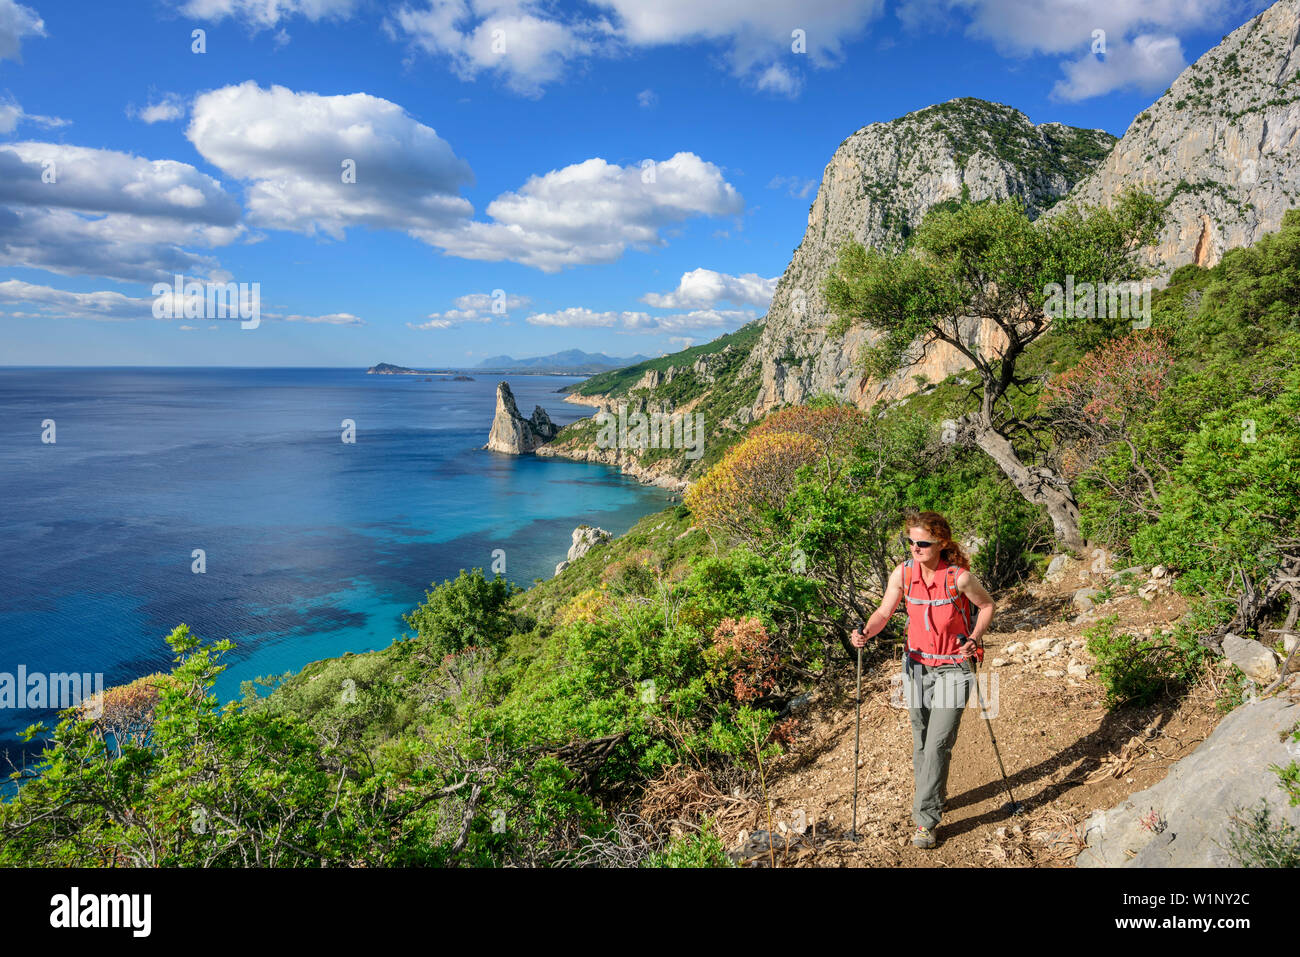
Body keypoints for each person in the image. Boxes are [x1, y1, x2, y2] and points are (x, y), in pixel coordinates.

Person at [850, 510, 995, 849]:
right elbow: (884, 612)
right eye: (911, 542)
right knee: (921, 740)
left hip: (954, 668)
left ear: (941, 543)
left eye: (923, 543)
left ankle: (924, 820)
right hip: (914, 665)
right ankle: (935, 794)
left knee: (937, 743)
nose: (915, 548)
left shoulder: (959, 578)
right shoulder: (902, 573)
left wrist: (974, 637)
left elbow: (987, 606)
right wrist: (866, 633)